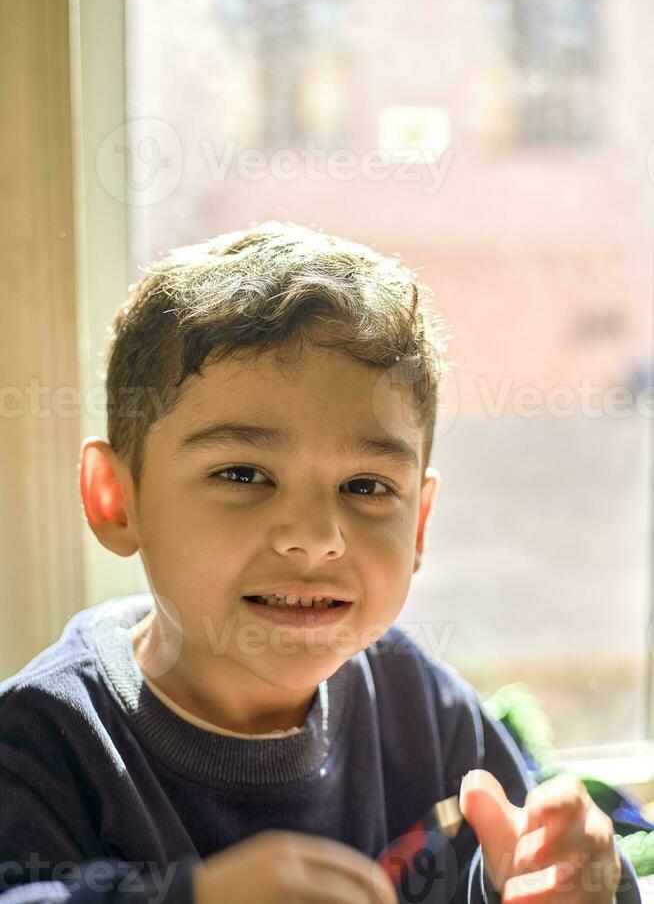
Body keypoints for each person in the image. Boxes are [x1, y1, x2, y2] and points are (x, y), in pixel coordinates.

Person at [0, 222, 640, 904]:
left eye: (366, 487)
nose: (315, 537)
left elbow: (534, 865)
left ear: (418, 524)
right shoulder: (47, 740)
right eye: (243, 474)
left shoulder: (422, 709)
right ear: (116, 499)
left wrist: (575, 879)